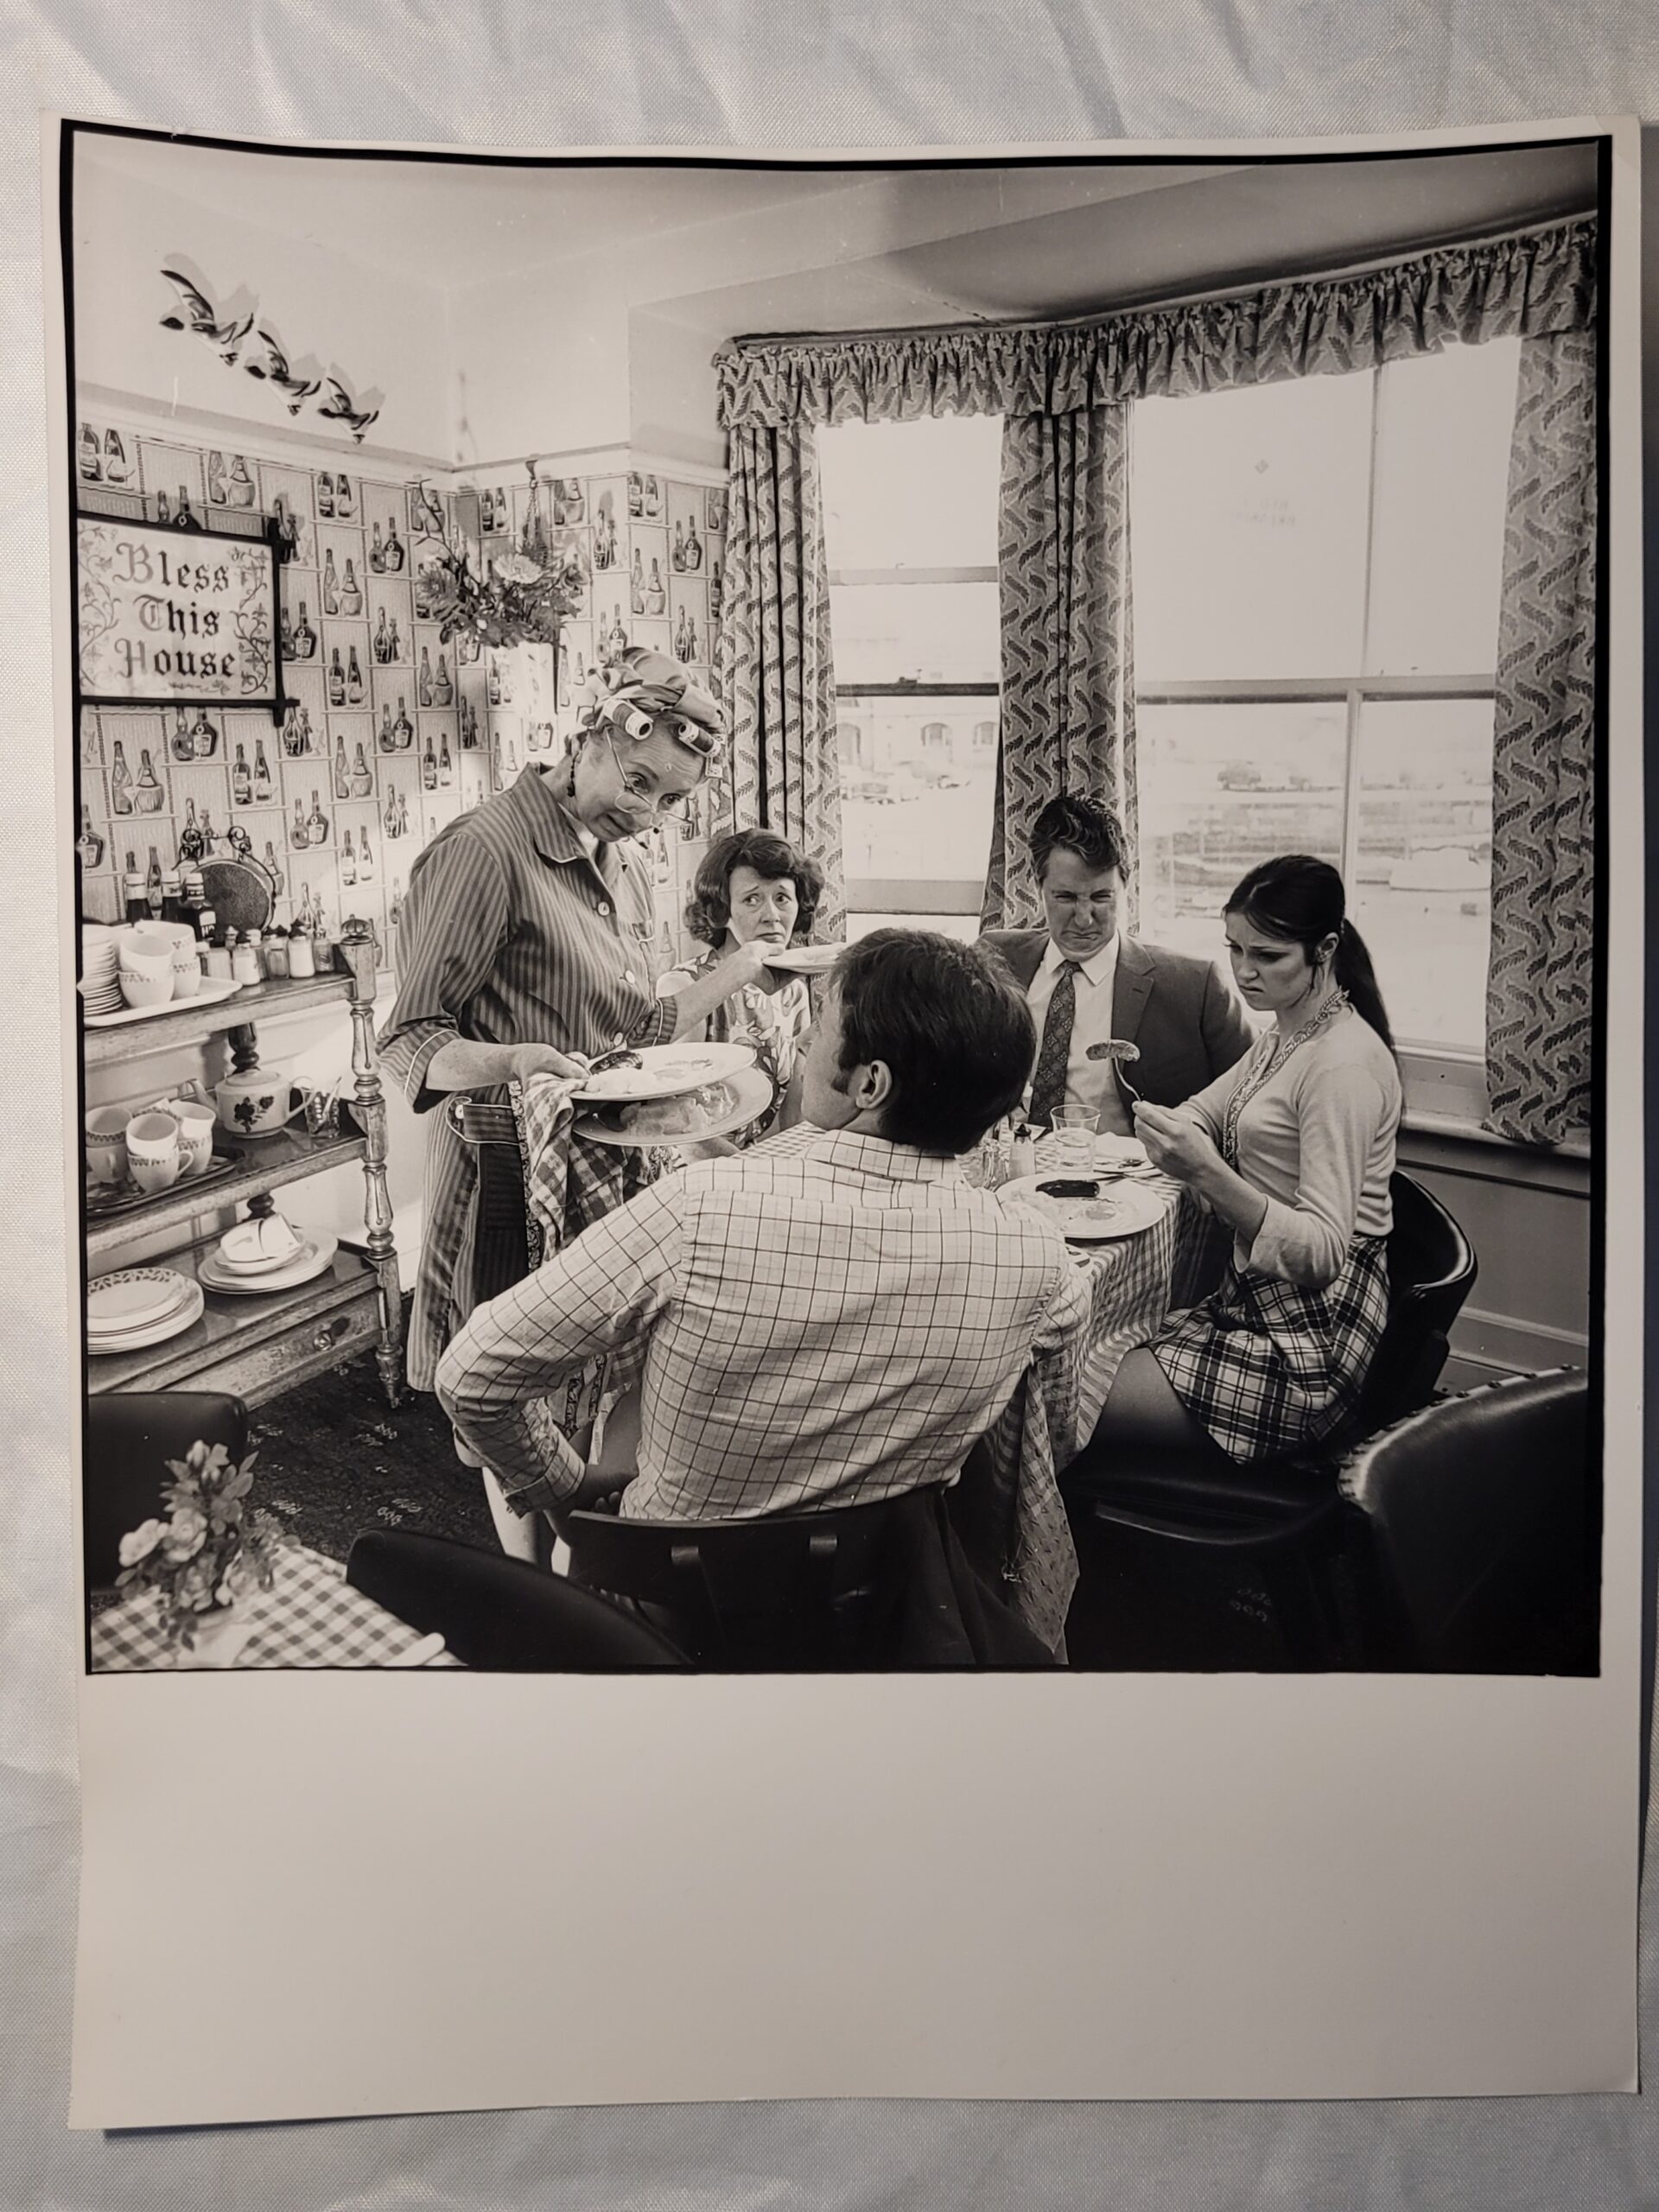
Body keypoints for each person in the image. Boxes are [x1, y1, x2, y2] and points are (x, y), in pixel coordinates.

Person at [435, 930, 1092, 1529]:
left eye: (823, 1024)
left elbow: (470, 1373)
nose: (804, 1042)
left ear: (871, 1083)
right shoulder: (1038, 1258)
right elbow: (1053, 1435)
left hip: (673, 1595)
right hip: (888, 1595)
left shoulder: (695, 1208)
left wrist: (566, 1487)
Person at [378, 646, 777, 1561]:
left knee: (585, 1387)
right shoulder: (486, 852)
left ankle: (571, 1565)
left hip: (603, 1168)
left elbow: (636, 1022)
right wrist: (519, 1059)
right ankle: (534, 1589)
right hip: (504, 1176)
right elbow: (408, 1038)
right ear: (590, 733)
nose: (647, 812)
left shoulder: (625, 862)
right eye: (638, 781)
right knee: (506, 1391)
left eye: (671, 802)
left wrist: (740, 972)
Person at [1075, 855, 1402, 1478]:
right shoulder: (1290, 1033)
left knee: (1067, 1392)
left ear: (1325, 948)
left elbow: (1322, 1254)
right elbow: (1202, 1110)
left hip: (1310, 1339)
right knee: (1079, 1357)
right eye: (1235, 949)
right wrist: (1192, 1139)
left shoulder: (1340, 1065)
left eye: (1269, 956)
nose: (1245, 973)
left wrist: (1209, 1176)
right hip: (1257, 1302)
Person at [980, 793, 1255, 1138]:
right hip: (1012, 1173)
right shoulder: (994, 956)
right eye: (1065, 898)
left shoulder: (1195, 986)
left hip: (1133, 1183)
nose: (1083, 919)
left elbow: (1256, 1099)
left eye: (1100, 897)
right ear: (1039, 889)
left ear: (1126, 887)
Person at [656, 826, 825, 1147]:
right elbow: (675, 1120)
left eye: (782, 898)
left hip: (762, 1165)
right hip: (698, 1168)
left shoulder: (793, 989)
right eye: (752, 899)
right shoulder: (685, 985)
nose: (772, 916)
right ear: (723, 911)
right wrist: (744, 1172)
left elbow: (792, 1113)